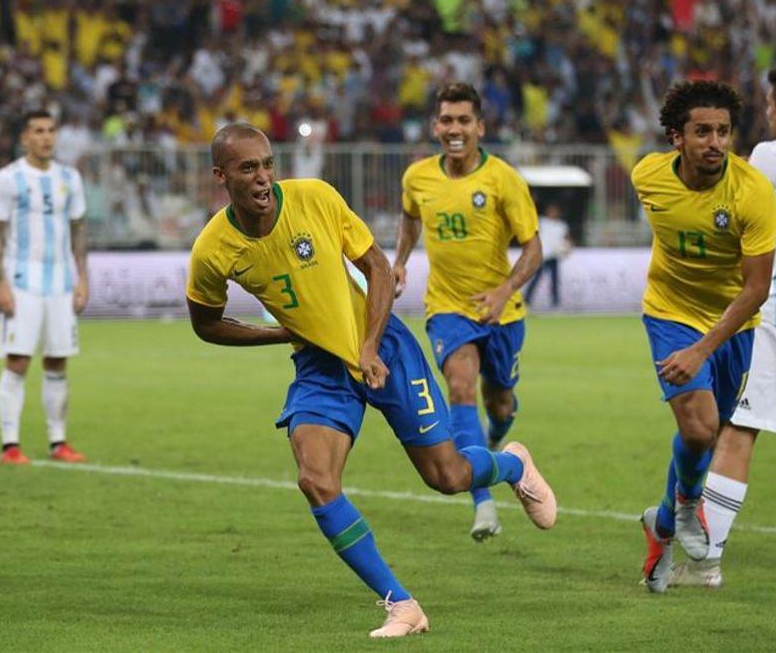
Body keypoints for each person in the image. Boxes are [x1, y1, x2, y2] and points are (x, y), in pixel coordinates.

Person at [187, 123, 556, 638]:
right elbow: (205, 323)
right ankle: (402, 604)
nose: (263, 177)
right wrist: (277, 335)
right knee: (315, 479)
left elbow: (377, 266)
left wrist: (366, 346)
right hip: (320, 366)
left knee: (447, 477)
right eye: (248, 168)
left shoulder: (314, 197)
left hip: (383, 348)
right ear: (220, 176)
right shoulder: (213, 249)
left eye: (268, 164)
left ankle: (512, 464)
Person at [669, 64, 776, 588]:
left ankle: (706, 565)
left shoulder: (771, 155)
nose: (767, 115)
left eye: (769, 107)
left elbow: (734, 207)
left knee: (738, 431)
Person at [631, 81, 776, 593]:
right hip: (669, 313)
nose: (715, 142)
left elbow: (757, 288)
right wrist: (688, 344)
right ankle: (690, 509)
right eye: (702, 132)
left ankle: (663, 527)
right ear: (677, 138)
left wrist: (704, 347)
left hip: (734, 320)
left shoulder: (751, 193)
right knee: (698, 430)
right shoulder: (647, 176)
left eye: (723, 131)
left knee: (711, 432)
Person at [393, 83, 544, 542]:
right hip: (447, 308)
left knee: (499, 400)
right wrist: (399, 260)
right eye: (446, 121)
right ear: (435, 126)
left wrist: (504, 290)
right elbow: (409, 216)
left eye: (463, 121)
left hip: (502, 312)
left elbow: (534, 249)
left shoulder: (503, 180)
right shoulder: (417, 177)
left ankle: (493, 437)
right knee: (460, 386)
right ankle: (483, 501)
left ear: (480, 126)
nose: (453, 129)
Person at [0, 110, 89, 465]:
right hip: (22, 282)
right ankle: (9, 444)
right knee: (18, 360)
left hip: (60, 283)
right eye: (38, 131)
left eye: (50, 130)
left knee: (58, 361)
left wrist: (82, 278)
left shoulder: (69, 178)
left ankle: (58, 442)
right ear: (25, 138)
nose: (46, 137)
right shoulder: (9, 178)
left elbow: (78, 230)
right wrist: (1, 283)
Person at [524, 204, 572, 309]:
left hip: (554, 255)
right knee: (536, 278)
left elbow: (567, 238)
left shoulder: (561, 225)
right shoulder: (542, 222)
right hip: (542, 255)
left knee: (554, 280)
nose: (553, 213)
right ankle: (527, 299)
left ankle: (555, 301)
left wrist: (567, 247)